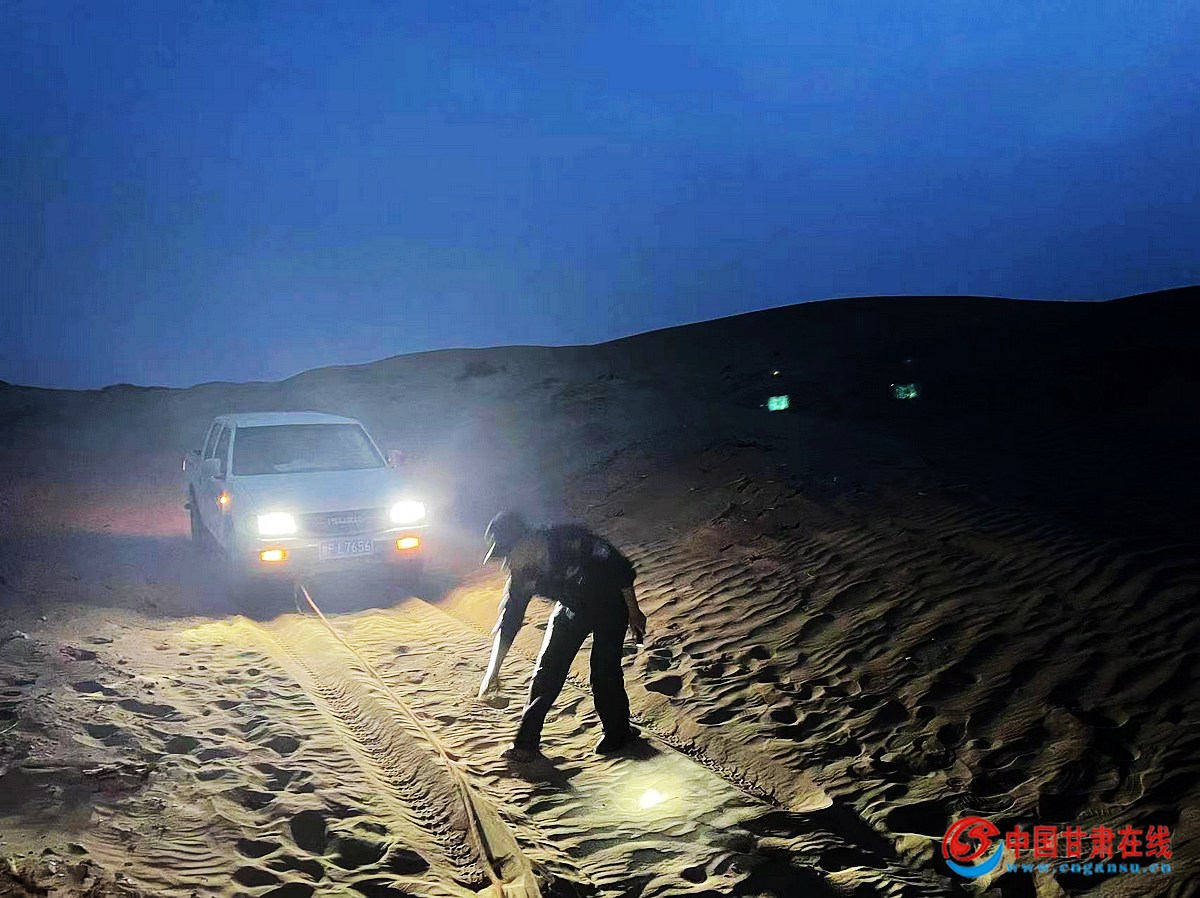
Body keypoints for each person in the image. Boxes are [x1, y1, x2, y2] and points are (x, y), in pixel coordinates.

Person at [478, 510, 647, 762]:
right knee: (547, 671)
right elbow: (509, 622)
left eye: (508, 553)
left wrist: (634, 611)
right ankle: (525, 744)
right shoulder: (523, 574)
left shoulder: (571, 540)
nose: (506, 563)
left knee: (604, 672)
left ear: (527, 540)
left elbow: (620, 567)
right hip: (571, 609)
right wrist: (493, 671)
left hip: (610, 603)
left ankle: (618, 734)